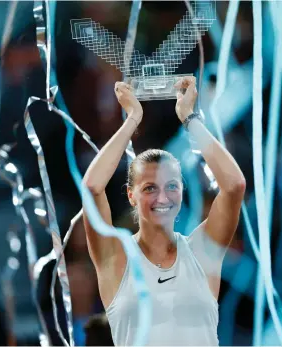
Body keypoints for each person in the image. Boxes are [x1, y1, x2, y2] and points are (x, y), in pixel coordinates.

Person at [82, 76, 246, 346]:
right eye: (149, 188)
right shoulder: (115, 258)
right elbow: (91, 187)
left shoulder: (200, 252)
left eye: (171, 186)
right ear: (130, 195)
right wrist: (132, 119)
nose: (162, 197)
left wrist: (190, 118)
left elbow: (234, 185)